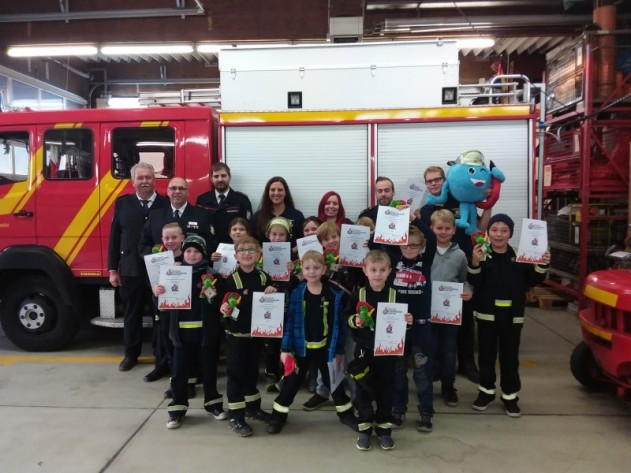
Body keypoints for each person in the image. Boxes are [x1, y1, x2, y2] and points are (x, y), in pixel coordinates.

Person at [267, 250, 358, 434]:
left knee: (335, 384)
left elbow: (338, 326)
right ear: (302, 269)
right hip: (301, 350)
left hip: (326, 350)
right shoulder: (296, 294)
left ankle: (346, 415)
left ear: (324, 269)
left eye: (316, 268)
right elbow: (290, 323)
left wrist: (338, 351)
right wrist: (286, 349)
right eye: (307, 268)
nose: (311, 271)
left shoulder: (334, 295)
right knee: (291, 384)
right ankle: (278, 416)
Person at [468, 214, 550, 417]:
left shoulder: (520, 256)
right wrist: (475, 263)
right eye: (494, 230)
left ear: (511, 234)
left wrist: (542, 264)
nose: (499, 234)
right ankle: (486, 392)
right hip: (487, 316)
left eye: (504, 230)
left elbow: (533, 280)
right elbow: (474, 281)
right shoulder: (482, 254)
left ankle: (510, 397)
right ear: (488, 232)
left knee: (510, 358)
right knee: (486, 357)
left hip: (512, 318)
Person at [139, 176, 214, 382]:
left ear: (188, 191)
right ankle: (163, 366)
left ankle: (190, 373)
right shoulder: (156, 215)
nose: (177, 191)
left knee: (187, 334)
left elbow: (209, 243)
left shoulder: (200, 214)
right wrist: (157, 259)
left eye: (181, 188)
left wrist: (195, 261)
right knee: (163, 329)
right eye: (173, 188)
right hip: (161, 285)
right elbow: (142, 245)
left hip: (191, 287)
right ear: (168, 191)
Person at [421, 165, 488, 384]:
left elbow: (479, 227)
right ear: (426, 184)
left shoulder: (461, 200)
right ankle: (439, 366)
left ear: (445, 180)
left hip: (464, 264)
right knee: (437, 324)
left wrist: (488, 205)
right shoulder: (425, 211)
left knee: (465, 320)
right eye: (429, 181)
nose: (434, 183)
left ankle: (467, 363)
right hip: (437, 271)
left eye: (437, 179)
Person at [153, 235, 227, 429]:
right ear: (183, 253)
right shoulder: (172, 273)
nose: (192, 255)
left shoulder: (213, 275)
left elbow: (218, 304)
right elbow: (163, 308)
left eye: (196, 251)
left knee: (209, 372)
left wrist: (212, 294)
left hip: (206, 334)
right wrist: (159, 293)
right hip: (181, 335)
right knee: (179, 374)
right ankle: (176, 410)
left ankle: (213, 405)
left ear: (203, 254)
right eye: (188, 251)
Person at [346, 250, 413, 451]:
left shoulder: (395, 295)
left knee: (386, 391)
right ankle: (365, 428)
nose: (377, 274)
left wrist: (408, 321)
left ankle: (384, 429)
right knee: (362, 390)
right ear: (365, 270)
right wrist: (355, 320)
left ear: (389, 271)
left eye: (382, 270)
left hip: (388, 353)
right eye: (373, 269)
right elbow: (346, 317)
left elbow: (402, 323)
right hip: (364, 351)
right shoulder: (358, 294)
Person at [108, 162, 169, 372]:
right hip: (131, 269)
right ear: (133, 181)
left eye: (148, 177)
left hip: (159, 272)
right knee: (131, 314)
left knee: (159, 315)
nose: (144, 181)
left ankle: (161, 356)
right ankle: (130, 355)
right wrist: (113, 269)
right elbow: (115, 237)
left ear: (154, 180)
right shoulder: (122, 203)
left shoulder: (165, 203)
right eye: (140, 178)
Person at [218, 236, 277, 437]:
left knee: (252, 372)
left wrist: (273, 290)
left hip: (256, 335)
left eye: (251, 250)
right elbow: (221, 304)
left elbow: (273, 300)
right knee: (236, 374)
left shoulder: (263, 277)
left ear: (259, 254)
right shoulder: (230, 279)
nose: (247, 253)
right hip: (236, 336)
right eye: (242, 250)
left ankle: (253, 408)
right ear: (236, 256)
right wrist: (223, 307)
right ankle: (236, 415)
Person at [303, 222, 360, 411]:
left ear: (341, 236)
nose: (331, 241)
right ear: (320, 242)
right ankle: (322, 391)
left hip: (350, 314)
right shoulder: (319, 262)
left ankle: (357, 395)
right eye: (326, 239)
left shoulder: (353, 257)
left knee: (351, 356)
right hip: (327, 315)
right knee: (326, 355)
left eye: (334, 236)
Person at [389, 224, 436, 432]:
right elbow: (374, 243)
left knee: (422, 371)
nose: (409, 249)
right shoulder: (393, 261)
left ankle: (426, 412)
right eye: (405, 245)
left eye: (414, 245)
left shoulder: (426, 262)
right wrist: (399, 223)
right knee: (398, 371)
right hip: (397, 325)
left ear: (421, 246)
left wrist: (416, 218)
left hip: (421, 327)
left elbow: (432, 238)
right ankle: (398, 409)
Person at [430, 209, 473, 408]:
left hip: (450, 312)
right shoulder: (424, 251)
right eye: (439, 228)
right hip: (428, 310)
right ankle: (427, 384)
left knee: (449, 350)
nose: (443, 232)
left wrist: (468, 290)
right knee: (429, 348)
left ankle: (448, 385)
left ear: (454, 230)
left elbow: (464, 280)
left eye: (447, 228)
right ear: (432, 228)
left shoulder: (460, 255)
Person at [150, 223, 185, 393]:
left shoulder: (189, 257)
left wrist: (182, 269)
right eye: (167, 238)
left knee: (183, 347)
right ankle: (174, 382)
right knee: (169, 346)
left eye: (174, 237)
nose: (170, 241)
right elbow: (153, 284)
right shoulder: (158, 260)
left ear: (182, 238)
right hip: (165, 311)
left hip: (184, 312)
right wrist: (156, 290)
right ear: (162, 240)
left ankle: (187, 382)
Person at [196, 162, 253, 251]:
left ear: (229, 177)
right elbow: (199, 226)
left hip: (234, 249)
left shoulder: (242, 200)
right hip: (209, 249)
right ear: (211, 179)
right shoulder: (202, 200)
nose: (220, 179)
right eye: (216, 176)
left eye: (223, 176)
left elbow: (248, 228)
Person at [250, 176, 305, 245]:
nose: (276, 193)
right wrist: (262, 250)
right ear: (268, 192)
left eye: (280, 190)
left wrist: (291, 250)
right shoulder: (258, 216)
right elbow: (252, 240)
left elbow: (303, 241)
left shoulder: (297, 216)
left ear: (286, 192)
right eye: (273, 190)